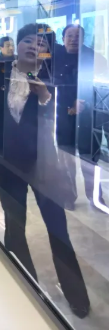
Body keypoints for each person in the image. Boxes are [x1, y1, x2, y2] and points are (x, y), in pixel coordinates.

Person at [0, 23, 90, 319]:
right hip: (8, 162)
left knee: (58, 229)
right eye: (28, 40)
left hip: (45, 165)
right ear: (17, 45)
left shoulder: (53, 75)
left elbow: (63, 117)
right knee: (14, 226)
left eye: (41, 42)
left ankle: (77, 297)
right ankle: (23, 286)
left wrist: (44, 97)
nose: (34, 46)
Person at [54, 24, 108, 207]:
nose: (73, 39)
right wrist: (68, 105)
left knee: (89, 158)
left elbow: (103, 86)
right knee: (65, 158)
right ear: (63, 38)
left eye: (78, 36)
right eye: (69, 35)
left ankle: (95, 197)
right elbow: (48, 83)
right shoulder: (55, 58)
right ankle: (68, 196)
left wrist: (83, 100)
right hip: (63, 116)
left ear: (84, 39)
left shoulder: (95, 58)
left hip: (88, 117)